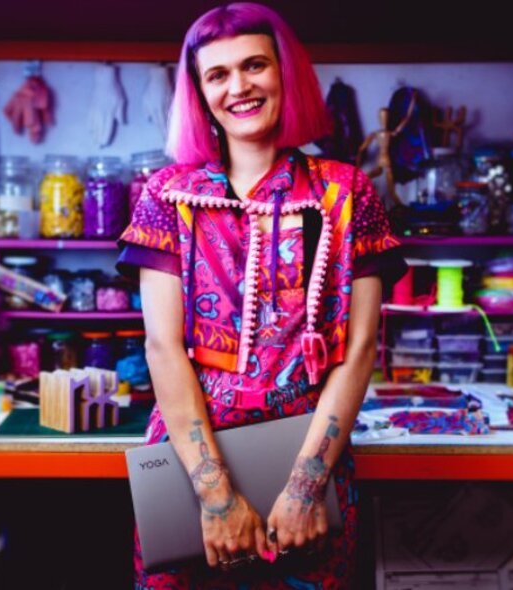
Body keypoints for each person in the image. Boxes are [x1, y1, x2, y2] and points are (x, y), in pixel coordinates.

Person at [117, 3, 405, 587]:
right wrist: (217, 497)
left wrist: (305, 486)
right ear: (199, 93)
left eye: (255, 66)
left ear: (285, 74)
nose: (239, 87)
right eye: (217, 74)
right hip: (190, 469)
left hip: (309, 466)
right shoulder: (166, 195)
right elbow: (162, 349)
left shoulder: (346, 192)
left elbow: (360, 348)